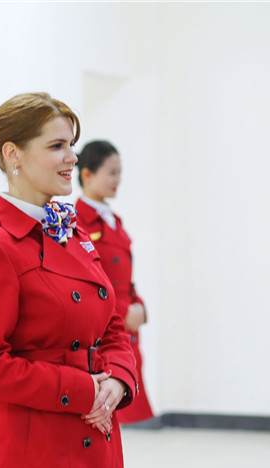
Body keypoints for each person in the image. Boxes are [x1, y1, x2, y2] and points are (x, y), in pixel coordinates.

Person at [0, 93, 139, 468]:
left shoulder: (73, 229)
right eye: (57, 146)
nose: (72, 157)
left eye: (71, 145)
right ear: (13, 154)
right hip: (34, 455)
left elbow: (111, 325)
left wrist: (117, 381)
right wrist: (81, 389)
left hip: (96, 441)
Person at [76, 140, 154, 424]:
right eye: (111, 172)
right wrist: (124, 310)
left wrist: (141, 307)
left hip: (125, 331)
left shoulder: (113, 221)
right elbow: (87, 283)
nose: (117, 180)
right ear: (87, 174)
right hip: (102, 333)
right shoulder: (77, 222)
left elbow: (125, 280)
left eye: (119, 172)